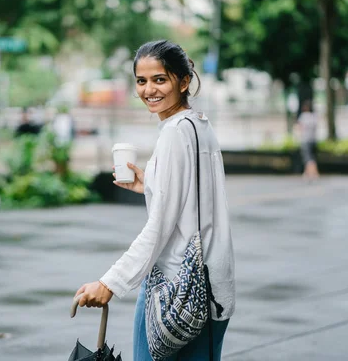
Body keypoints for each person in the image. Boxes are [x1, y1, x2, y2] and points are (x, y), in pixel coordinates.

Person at [75, 40, 236, 360]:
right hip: (211, 287)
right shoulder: (198, 124)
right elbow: (194, 195)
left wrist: (110, 283)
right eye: (141, 81)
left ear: (184, 80)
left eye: (160, 79)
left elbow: (159, 227)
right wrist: (151, 183)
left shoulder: (175, 133)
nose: (149, 90)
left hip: (179, 288)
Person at [296, 99, 320, 180]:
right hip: (313, 140)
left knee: (308, 158)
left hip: (305, 140)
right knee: (312, 157)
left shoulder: (304, 116)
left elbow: (299, 127)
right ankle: (306, 173)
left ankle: (314, 173)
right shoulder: (314, 116)